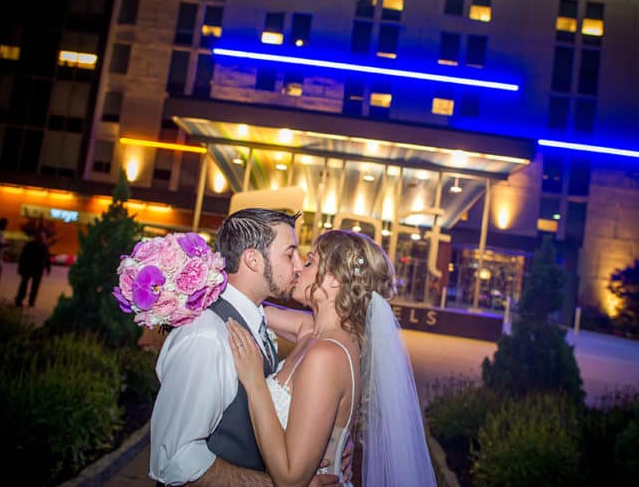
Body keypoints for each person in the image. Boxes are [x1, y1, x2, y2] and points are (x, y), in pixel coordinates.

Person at [149, 208, 350, 486]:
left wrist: (331, 443)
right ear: (253, 259)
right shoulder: (207, 336)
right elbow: (174, 460)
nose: (297, 266)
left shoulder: (255, 320)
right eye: (289, 254)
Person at [227, 229, 437, 486]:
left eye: (309, 262)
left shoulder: (325, 355)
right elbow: (248, 309)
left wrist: (254, 382)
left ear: (335, 279)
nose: (297, 268)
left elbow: (290, 479)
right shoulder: (315, 332)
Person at [15, 230, 51, 308]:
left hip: (38, 270)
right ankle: (19, 300)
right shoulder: (30, 245)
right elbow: (23, 256)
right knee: (24, 285)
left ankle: (31, 301)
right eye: (40, 236)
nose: (42, 238)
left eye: (43, 237)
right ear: (37, 237)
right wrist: (20, 267)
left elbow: (47, 258)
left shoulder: (45, 247)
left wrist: (48, 268)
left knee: (35, 287)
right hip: (28, 268)